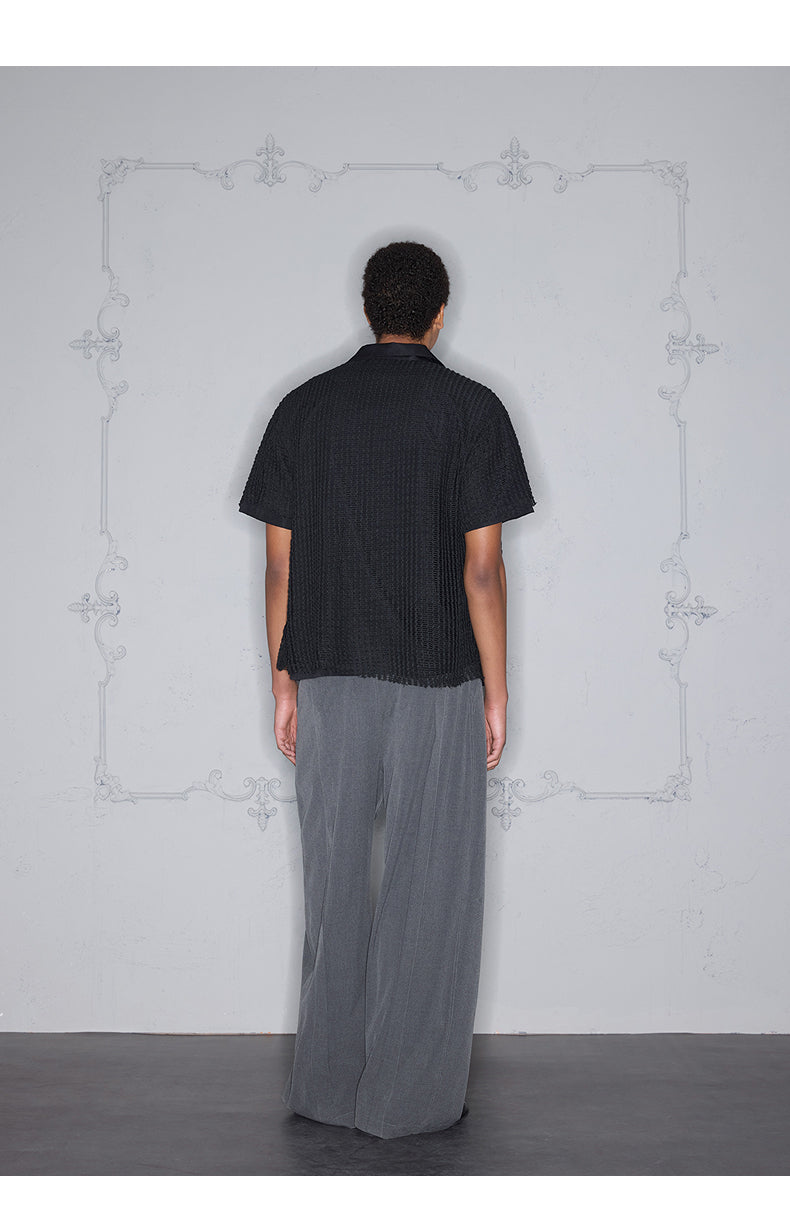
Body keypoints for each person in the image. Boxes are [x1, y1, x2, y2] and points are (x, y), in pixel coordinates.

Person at [238, 240, 536, 1139]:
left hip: (328, 672)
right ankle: (408, 1099)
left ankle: (326, 1089)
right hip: (438, 675)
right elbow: (482, 570)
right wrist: (497, 690)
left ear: (368, 307)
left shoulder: (303, 408)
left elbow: (280, 565)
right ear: (439, 315)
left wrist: (283, 680)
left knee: (332, 883)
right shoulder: (472, 410)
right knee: (430, 884)